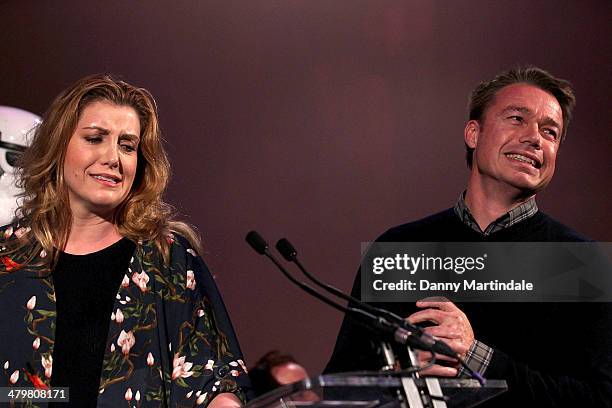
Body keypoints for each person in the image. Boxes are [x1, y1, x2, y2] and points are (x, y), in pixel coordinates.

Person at [325, 67, 612, 407]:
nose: (535, 137)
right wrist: (403, 378)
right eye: (517, 118)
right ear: (474, 134)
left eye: (550, 132)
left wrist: (476, 357)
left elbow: (600, 399)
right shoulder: (399, 249)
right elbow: (341, 386)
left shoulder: (581, 262)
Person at [0, 75, 250, 407]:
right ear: (58, 146)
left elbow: (214, 379)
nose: (113, 158)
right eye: (95, 138)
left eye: (127, 145)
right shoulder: (9, 256)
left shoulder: (168, 257)